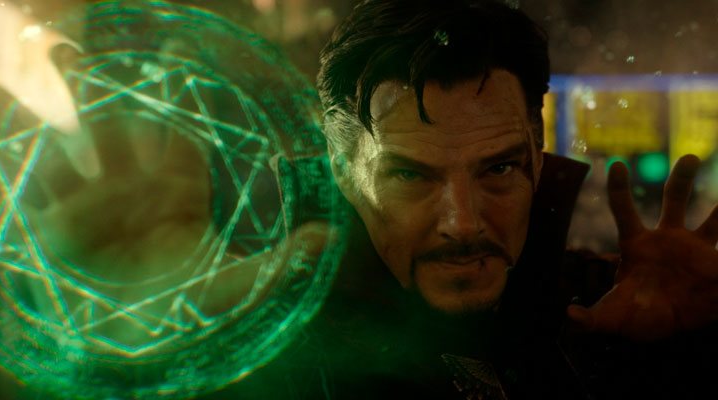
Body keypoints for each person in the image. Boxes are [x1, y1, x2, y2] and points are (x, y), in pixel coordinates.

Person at [207, 0, 718, 398]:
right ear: (341, 168)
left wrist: (686, 347)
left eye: (498, 169)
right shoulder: (261, 353)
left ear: (537, 151)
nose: (463, 223)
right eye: (410, 175)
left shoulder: (603, 302)